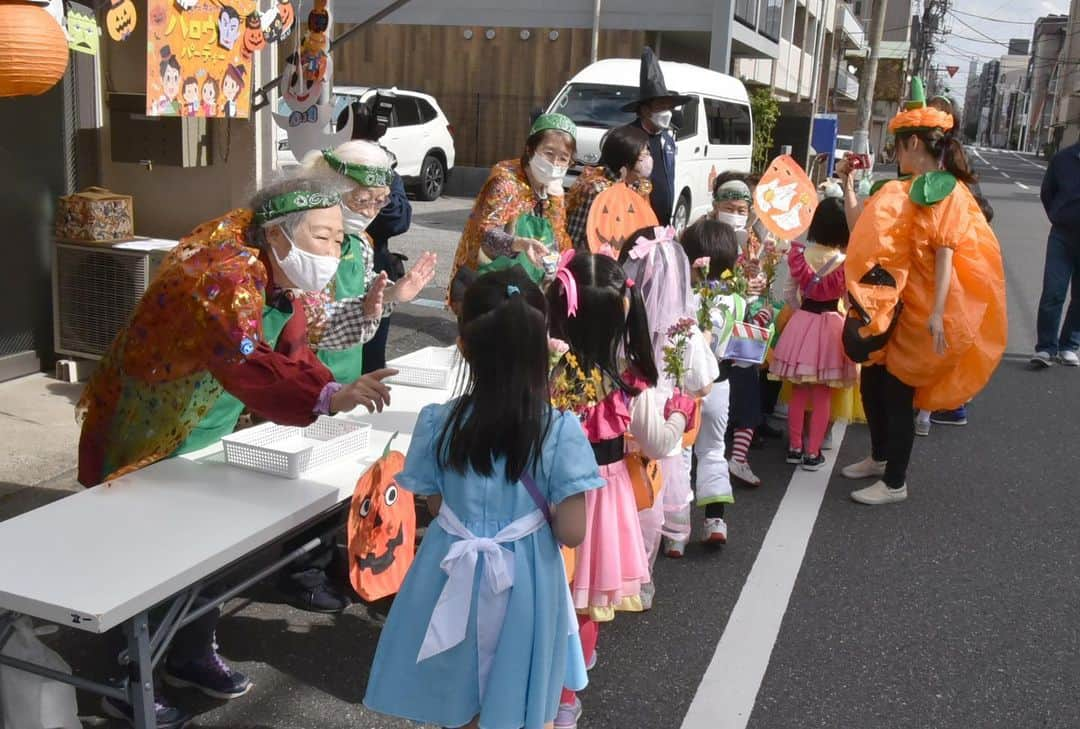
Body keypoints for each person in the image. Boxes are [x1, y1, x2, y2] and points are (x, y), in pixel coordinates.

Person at [77, 178, 399, 727]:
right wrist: (325, 394)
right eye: (324, 238)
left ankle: (189, 651)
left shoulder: (276, 269)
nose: (335, 252)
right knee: (140, 557)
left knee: (201, 548)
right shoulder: (223, 273)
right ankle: (121, 677)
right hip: (148, 427)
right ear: (277, 235)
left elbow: (294, 343)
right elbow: (247, 358)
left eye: (339, 239)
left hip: (208, 423)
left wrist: (329, 384)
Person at [363, 269, 601, 729]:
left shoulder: (438, 421)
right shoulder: (560, 430)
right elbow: (572, 532)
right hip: (527, 581)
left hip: (450, 569)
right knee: (522, 694)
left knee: (458, 687)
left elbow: (434, 503)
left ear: (463, 345)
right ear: (543, 346)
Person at [272, 141, 432, 613]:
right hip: (300, 372)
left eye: (378, 202)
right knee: (302, 477)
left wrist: (392, 297)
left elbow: (356, 308)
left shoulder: (360, 245)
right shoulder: (295, 240)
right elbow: (305, 319)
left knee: (338, 471)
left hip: (346, 370)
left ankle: (327, 557)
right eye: (362, 199)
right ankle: (300, 570)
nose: (370, 211)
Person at [841, 78, 1006, 506]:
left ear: (913, 142)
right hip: (890, 306)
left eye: (897, 146)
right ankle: (878, 458)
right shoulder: (896, 189)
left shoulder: (945, 192)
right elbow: (860, 228)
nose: (895, 155)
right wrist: (847, 186)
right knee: (873, 385)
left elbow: (947, 252)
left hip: (919, 313)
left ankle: (895, 482)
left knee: (898, 396)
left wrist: (936, 313)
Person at [546, 251, 695, 728]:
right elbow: (661, 442)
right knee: (585, 603)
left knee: (545, 596)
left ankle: (536, 689)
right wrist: (679, 411)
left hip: (542, 495)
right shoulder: (630, 382)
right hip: (601, 500)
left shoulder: (543, 370)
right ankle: (566, 698)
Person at [618, 226, 717, 561]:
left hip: (623, 427)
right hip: (665, 427)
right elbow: (703, 384)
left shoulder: (620, 326)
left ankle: (621, 567)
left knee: (626, 499)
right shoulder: (684, 331)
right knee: (660, 491)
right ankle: (667, 545)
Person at [768, 198, 855, 471]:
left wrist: (801, 311)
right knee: (822, 394)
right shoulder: (845, 261)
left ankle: (794, 446)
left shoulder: (799, 254)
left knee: (798, 392)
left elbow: (787, 293)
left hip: (803, 322)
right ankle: (813, 451)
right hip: (831, 325)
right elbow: (849, 299)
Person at [449, 113, 576, 296]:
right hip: (493, 287)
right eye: (548, 153)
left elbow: (557, 239)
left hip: (532, 288)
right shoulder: (506, 183)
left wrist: (556, 202)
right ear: (530, 149)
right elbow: (486, 236)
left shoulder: (552, 190)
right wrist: (519, 244)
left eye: (563, 158)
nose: (554, 163)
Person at [707, 176, 776, 485]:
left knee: (747, 389)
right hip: (712, 323)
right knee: (709, 390)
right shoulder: (703, 235)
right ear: (715, 206)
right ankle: (707, 452)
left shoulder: (752, 240)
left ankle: (738, 458)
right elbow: (696, 279)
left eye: (741, 208)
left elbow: (759, 277)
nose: (735, 212)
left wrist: (761, 285)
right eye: (729, 206)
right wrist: (734, 285)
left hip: (745, 323)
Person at [681, 218, 740, 544]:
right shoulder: (731, 296)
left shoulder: (682, 294)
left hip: (684, 384)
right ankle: (715, 521)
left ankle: (675, 531)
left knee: (679, 452)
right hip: (719, 381)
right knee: (714, 450)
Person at [347, 98, 416, 372]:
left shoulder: (386, 170)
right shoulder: (329, 168)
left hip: (376, 265)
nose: (368, 208)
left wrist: (378, 177)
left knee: (371, 363)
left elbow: (399, 219)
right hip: (332, 277)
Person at [625, 47, 691, 226]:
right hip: (633, 220)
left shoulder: (667, 139)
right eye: (661, 106)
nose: (667, 112)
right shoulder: (627, 138)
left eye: (669, 107)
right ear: (645, 110)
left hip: (662, 222)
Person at [565, 124, 654, 251]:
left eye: (648, 153)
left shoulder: (638, 186)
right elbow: (575, 235)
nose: (648, 160)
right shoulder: (595, 190)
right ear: (626, 161)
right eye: (643, 156)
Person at [1032, 140, 1080, 369]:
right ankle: (1045, 348)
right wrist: (1058, 216)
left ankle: (1069, 345)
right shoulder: (1062, 159)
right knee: (1053, 290)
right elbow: (1047, 193)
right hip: (1062, 235)